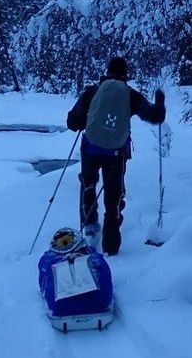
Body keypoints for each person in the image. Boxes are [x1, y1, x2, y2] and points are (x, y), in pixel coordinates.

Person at [66, 56, 165, 255]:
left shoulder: (93, 91)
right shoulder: (130, 94)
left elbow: (72, 122)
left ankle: (90, 229)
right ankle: (111, 245)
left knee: (88, 183)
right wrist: (160, 100)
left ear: (107, 71)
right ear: (125, 74)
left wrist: (86, 120)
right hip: (116, 153)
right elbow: (155, 116)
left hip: (90, 149)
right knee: (113, 196)